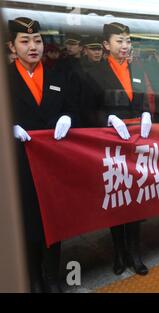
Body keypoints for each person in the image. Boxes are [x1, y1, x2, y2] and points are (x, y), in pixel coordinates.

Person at [8, 17, 78, 292]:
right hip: (20, 163)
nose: (32, 46)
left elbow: (74, 109)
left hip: (53, 163)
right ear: (12, 46)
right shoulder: (6, 78)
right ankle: (33, 277)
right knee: (27, 219)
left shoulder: (58, 78)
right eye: (25, 41)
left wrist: (68, 117)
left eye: (37, 40)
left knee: (54, 218)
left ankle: (51, 275)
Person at [83, 22, 152, 276]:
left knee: (134, 197)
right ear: (106, 45)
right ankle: (118, 251)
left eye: (128, 41)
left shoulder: (137, 69)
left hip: (135, 145)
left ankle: (135, 252)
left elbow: (144, 98)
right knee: (116, 197)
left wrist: (146, 113)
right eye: (119, 41)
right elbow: (87, 110)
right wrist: (107, 119)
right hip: (110, 145)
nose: (125, 46)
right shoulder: (93, 73)